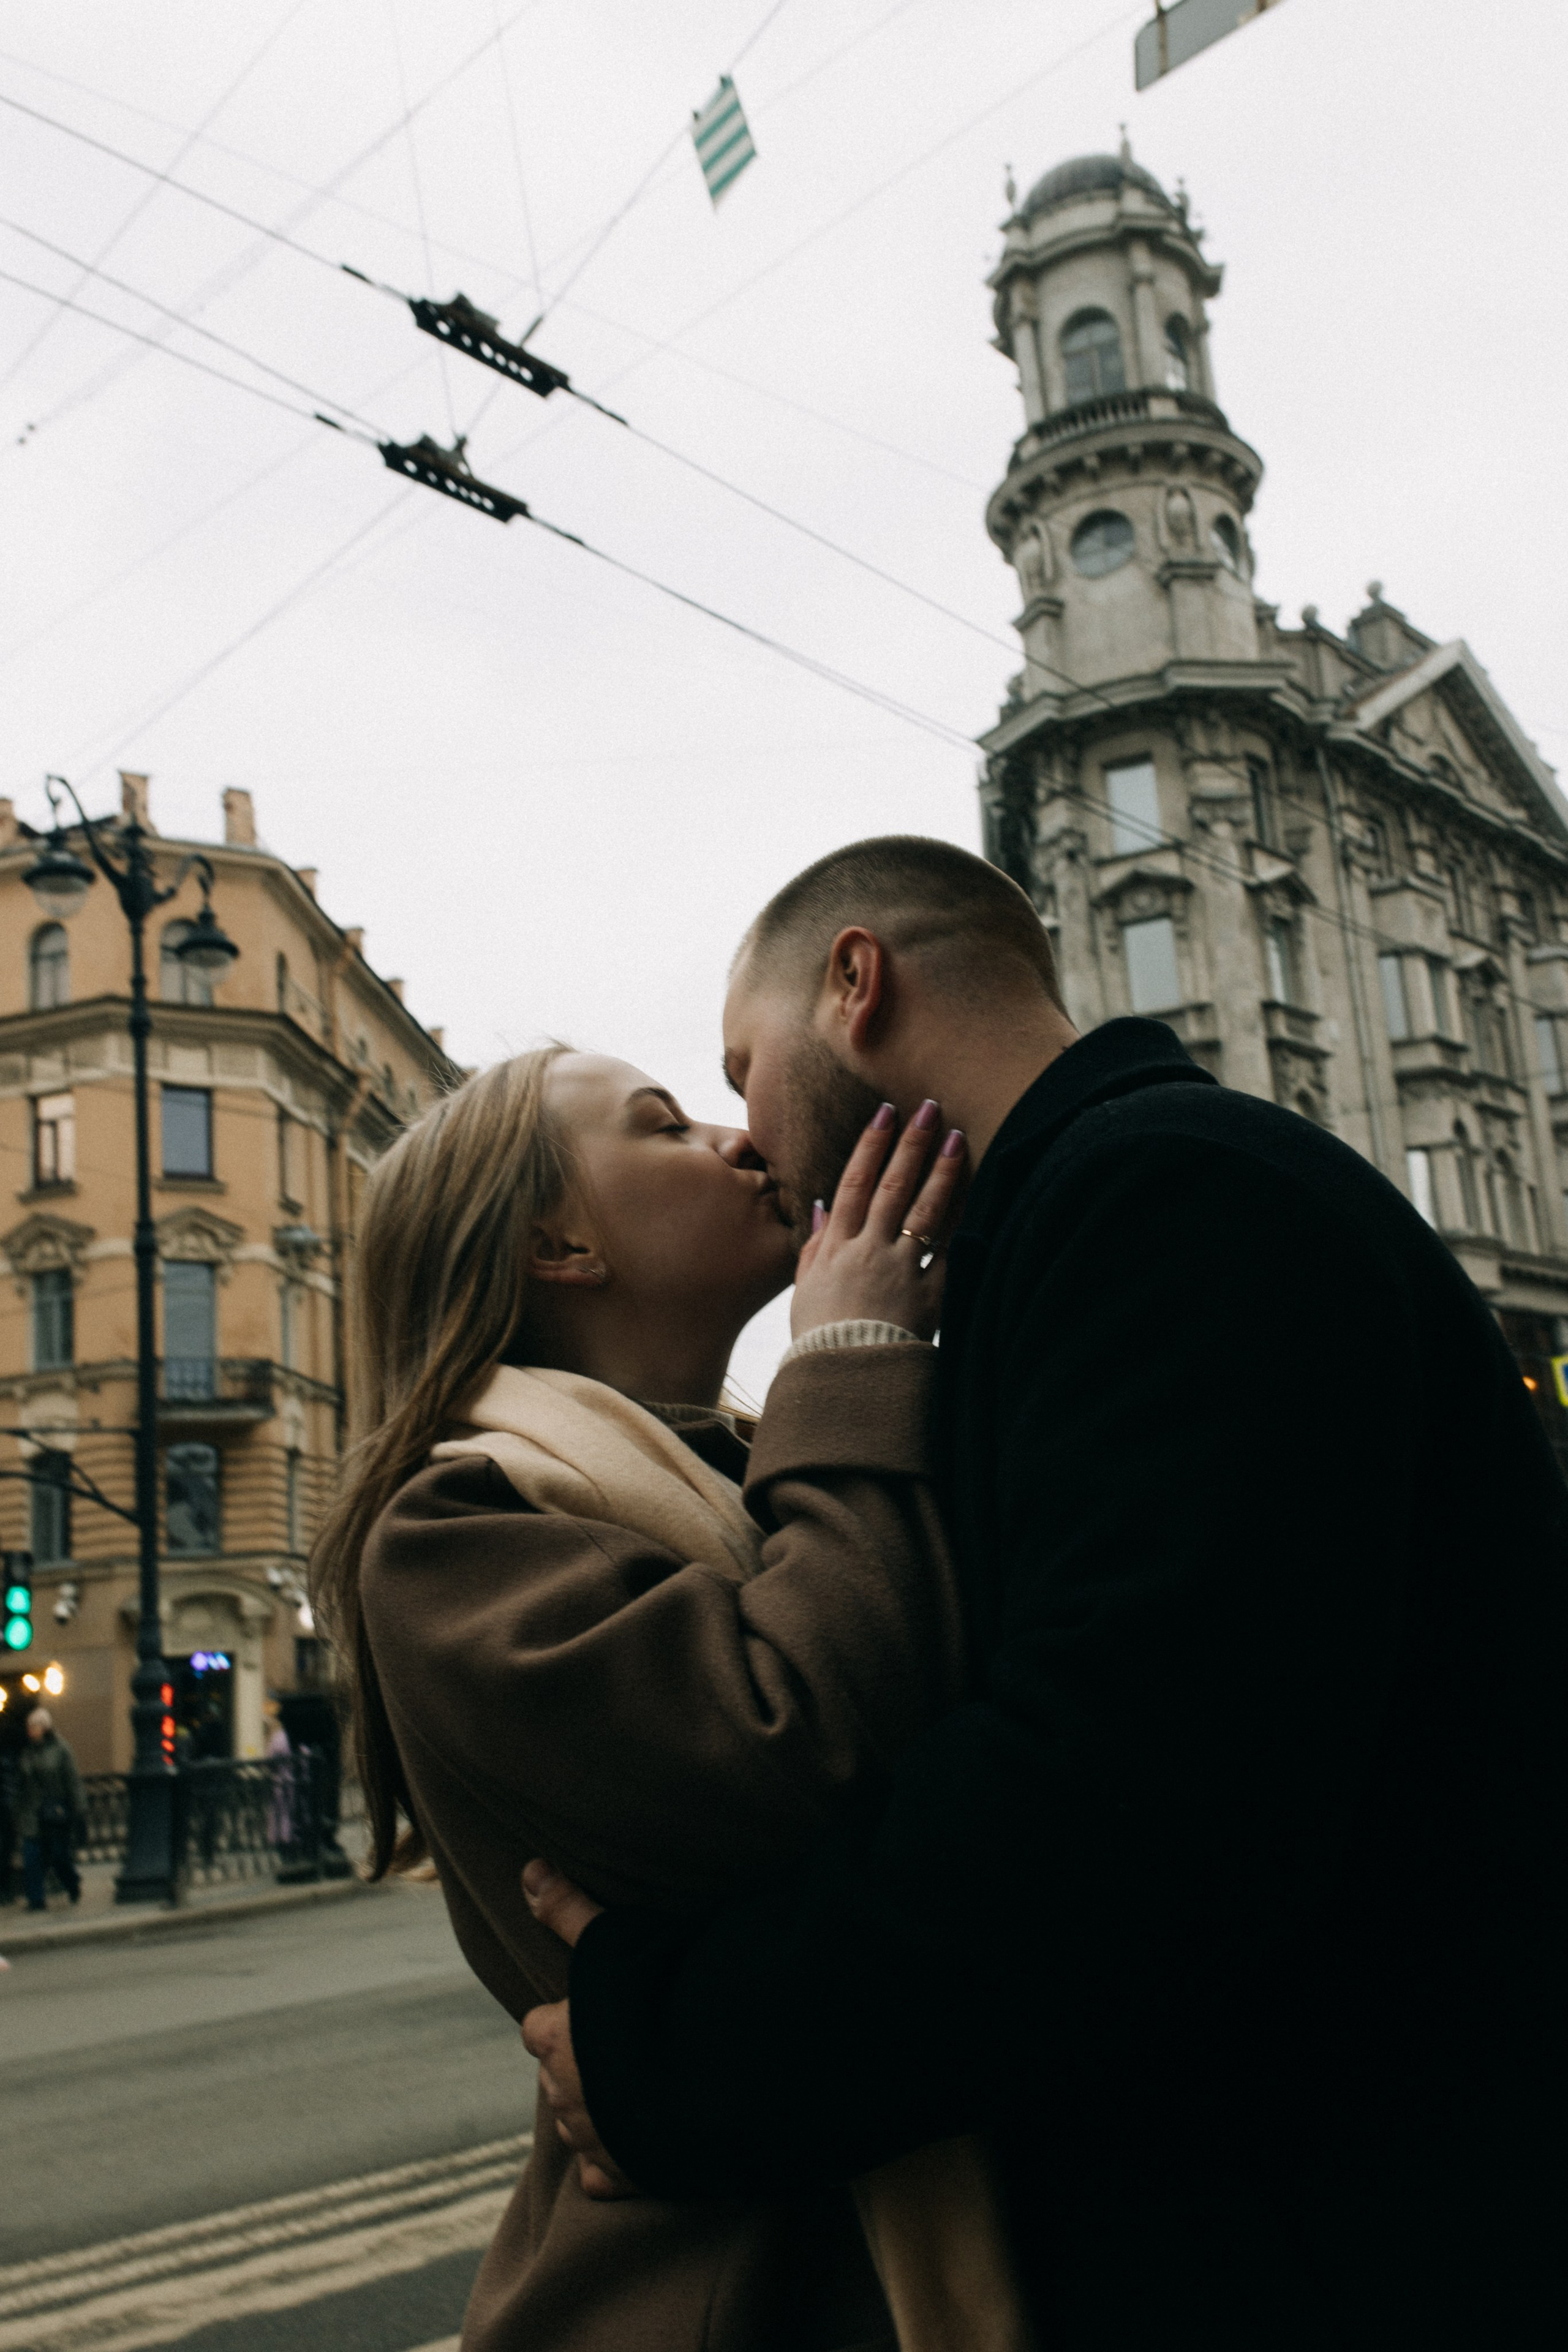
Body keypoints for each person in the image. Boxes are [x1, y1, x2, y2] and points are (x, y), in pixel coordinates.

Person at [523, 834, 1568, 2350]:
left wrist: (681, 2048)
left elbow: (1118, 1807)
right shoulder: (1092, 1213)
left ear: (855, 982)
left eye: (744, 1065)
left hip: (1344, 2245)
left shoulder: (1162, 1193)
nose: (749, 1132)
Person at [315, 1046, 1022, 2352]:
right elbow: (793, 1746)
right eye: (664, 1126)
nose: (736, 1138)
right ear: (558, 1242)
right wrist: (857, 1350)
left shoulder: (763, 1461)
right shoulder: (448, 1529)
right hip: (733, 2292)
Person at [17, 1706, 83, 1912]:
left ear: (44, 1728)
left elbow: (72, 1780)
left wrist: (79, 1808)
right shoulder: (27, 1752)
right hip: (32, 1813)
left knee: (59, 1855)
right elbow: (22, 1784)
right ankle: (36, 1900)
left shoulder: (61, 1749)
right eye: (29, 1727)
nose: (30, 1731)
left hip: (55, 1811)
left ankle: (72, 1883)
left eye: (34, 1726)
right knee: (32, 1855)